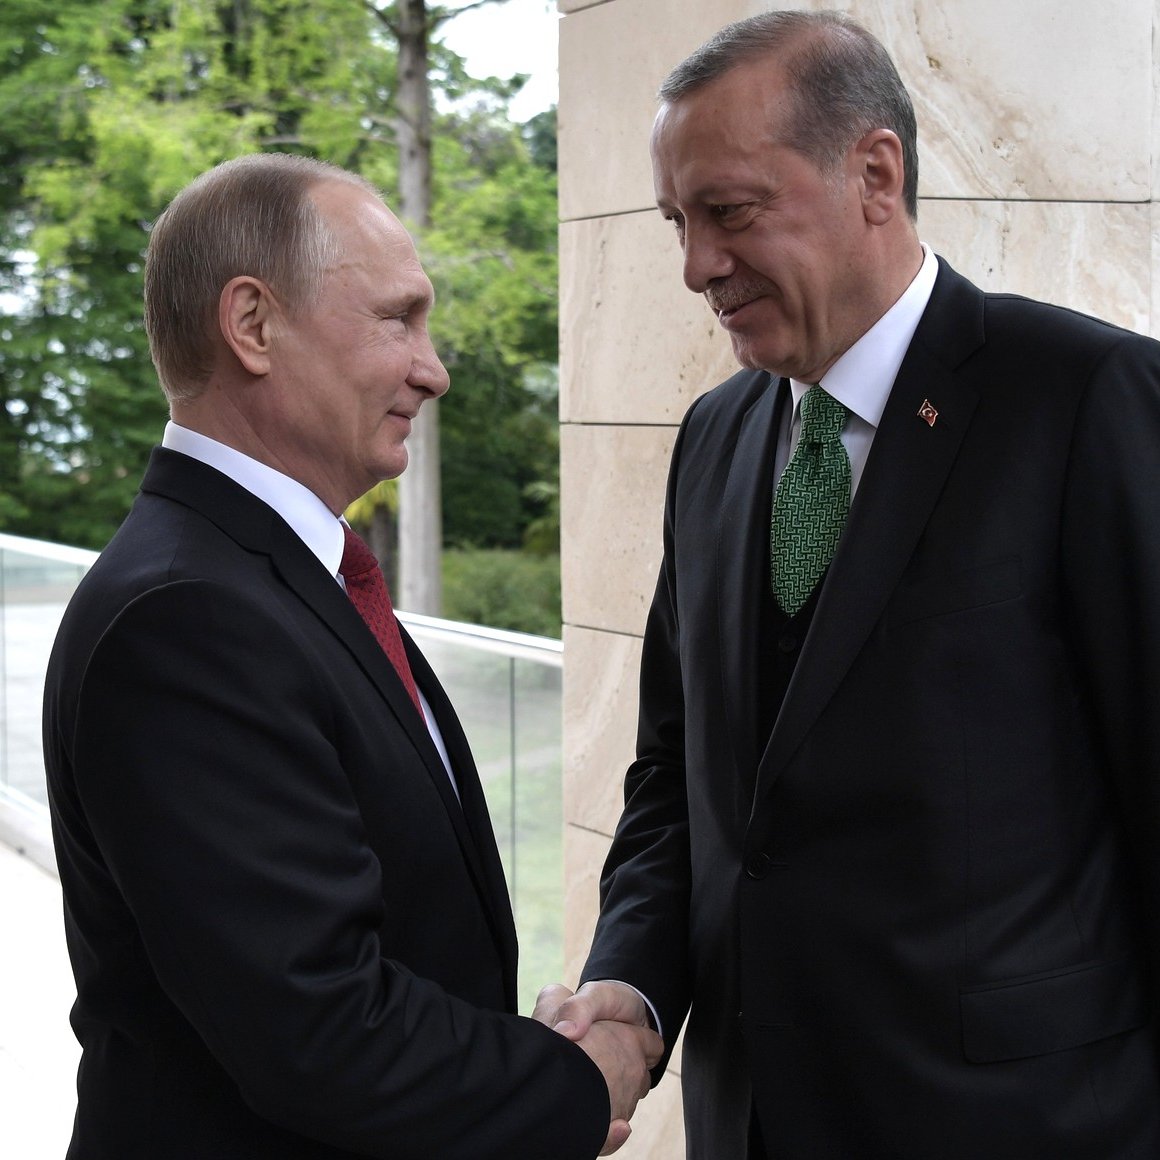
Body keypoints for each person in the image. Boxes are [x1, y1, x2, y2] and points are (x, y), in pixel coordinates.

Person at [535, 10, 1160, 1158]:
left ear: (874, 174)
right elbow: (675, 779)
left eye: (728, 212)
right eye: (677, 223)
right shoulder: (712, 437)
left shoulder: (1087, 398)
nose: (694, 266)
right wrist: (628, 989)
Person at [42, 152, 659, 1160]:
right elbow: (318, 1025)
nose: (434, 368)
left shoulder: (275, 577)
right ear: (252, 324)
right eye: (397, 318)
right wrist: (576, 1079)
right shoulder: (187, 614)